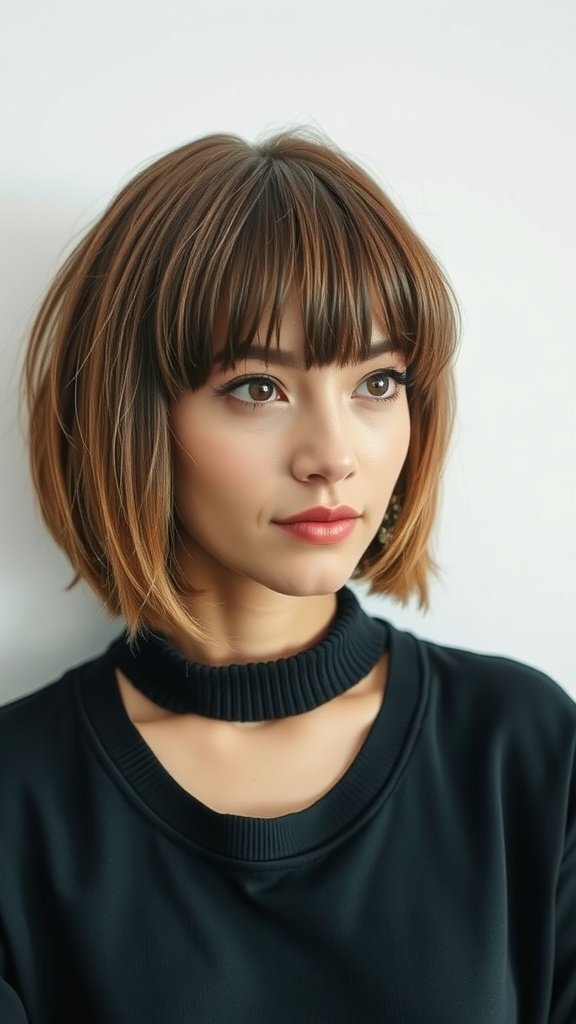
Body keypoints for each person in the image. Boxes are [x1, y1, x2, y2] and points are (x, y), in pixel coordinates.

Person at [0, 128, 574, 1023]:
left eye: (377, 382)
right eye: (258, 388)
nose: (334, 456)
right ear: (133, 413)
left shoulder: (524, 752)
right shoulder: (18, 799)